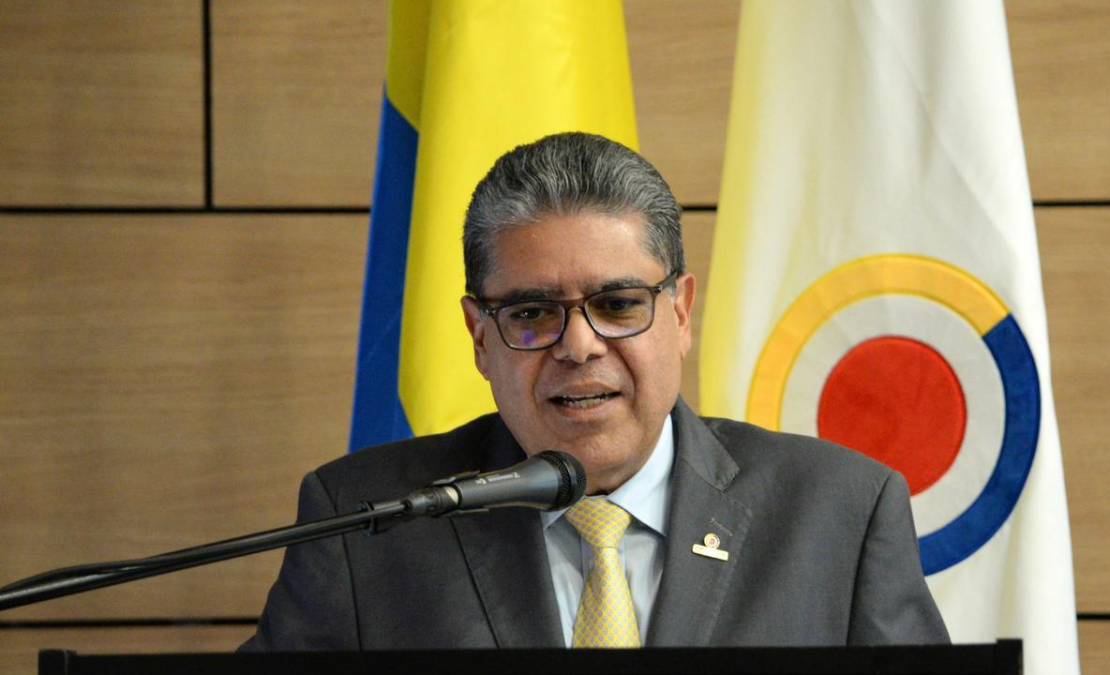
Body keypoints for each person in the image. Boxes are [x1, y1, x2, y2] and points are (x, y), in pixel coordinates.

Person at [241, 132, 948, 650]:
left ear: (680, 314)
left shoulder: (840, 512)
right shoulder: (366, 524)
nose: (578, 345)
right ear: (479, 336)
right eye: (531, 313)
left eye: (617, 304)